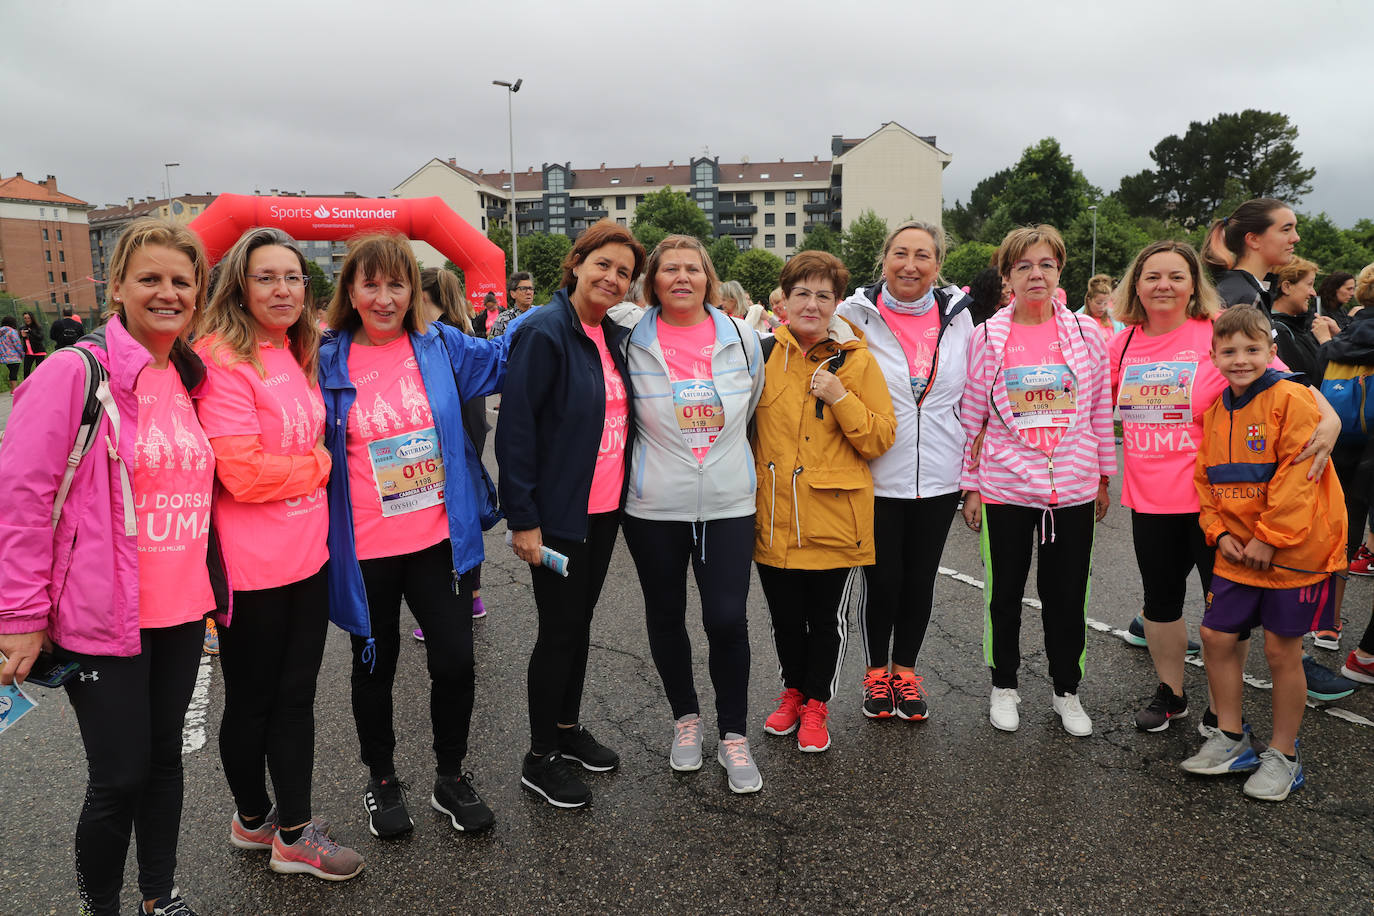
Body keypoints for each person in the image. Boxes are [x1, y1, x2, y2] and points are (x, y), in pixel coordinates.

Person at [0, 218, 218, 916]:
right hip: (103, 615)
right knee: (119, 777)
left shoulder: (185, 373)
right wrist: (20, 617)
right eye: (149, 278)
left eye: (181, 281)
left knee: (163, 765)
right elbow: (22, 501)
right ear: (117, 285)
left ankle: (160, 894)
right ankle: (104, 908)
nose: (166, 293)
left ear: (197, 294)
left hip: (182, 609)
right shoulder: (74, 372)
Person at [320, 233, 508, 838]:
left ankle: (450, 776)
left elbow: (506, 358)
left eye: (396, 284)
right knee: (375, 669)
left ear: (413, 291)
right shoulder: (323, 356)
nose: (383, 297)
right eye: (369, 283)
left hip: (438, 543)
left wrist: (573, 305)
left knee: (455, 662)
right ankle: (381, 779)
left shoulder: (441, 345)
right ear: (350, 288)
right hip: (366, 551)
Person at [195, 227, 362, 880]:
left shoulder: (295, 350)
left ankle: (260, 821)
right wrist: (318, 465)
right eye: (266, 277)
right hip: (252, 569)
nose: (283, 288)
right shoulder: (221, 359)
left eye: (292, 277)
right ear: (239, 285)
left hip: (307, 559)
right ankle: (285, 831)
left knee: (290, 697)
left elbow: (274, 460)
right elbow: (242, 474)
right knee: (258, 701)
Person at [496, 219, 645, 808]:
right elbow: (517, 431)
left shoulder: (607, 334)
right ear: (577, 263)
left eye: (624, 273)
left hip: (602, 513)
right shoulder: (546, 331)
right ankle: (539, 757)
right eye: (603, 264)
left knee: (578, 626)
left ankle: (565, 729)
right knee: (559, 632)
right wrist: (524, 519)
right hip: (557, 520)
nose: (612, 278)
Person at [1182, 305, 1346, 801]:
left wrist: (1268, 537)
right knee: (1215, 635)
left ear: (1271, 353)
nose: (1240, 359)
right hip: (1239, 549)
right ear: (1213, 356)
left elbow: (1299, 477)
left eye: (1252, 349)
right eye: (1228, 351)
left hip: (1294, 552)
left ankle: (1284, 755)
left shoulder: (1292, 398)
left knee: (1280, 651)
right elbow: (1205, 478)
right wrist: (1216, 531)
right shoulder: (1215, 411)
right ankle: (1231, 738)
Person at [621, 235, 765, 792]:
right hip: (656, 504)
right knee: (666, 615)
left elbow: (748, 408)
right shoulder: (631, 340)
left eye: (694, 269)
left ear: (709, 278)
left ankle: (734, 734)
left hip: (728, 501)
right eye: (670, 270)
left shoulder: (743, 337)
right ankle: (686, 719)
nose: (682, 278)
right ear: (652, 281)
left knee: (727, 618)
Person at [960, 225, 1116, 737]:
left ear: (1059, 272)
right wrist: (973, 486)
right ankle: (1004, 685)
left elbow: (1098, 409)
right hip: (1007, 486)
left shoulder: (1087, 334)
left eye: (1046, 264)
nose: (1036, 274)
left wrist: (1101, 478)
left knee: (1068, 596)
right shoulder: (988, 336)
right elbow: (973, 416)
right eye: (1024, 266)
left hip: (1070, 488)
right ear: (1007, 277)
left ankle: (1066, 690)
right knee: (1004, 593)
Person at [753, 250, 896, 753]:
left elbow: (880, 437)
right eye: (801, 294)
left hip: (835, 518)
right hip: (773, 517)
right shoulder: (763, 354)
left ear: (836, 303)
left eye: (823, 295)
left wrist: (840, 396)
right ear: (784, 300)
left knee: (827, 621)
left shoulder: (857, 361)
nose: (811, 304)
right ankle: (792, 690)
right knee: (785, 618)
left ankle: (817, 702)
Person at [837, 221, 973, 722]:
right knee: (882, 581)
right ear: (884, 259)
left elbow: (974, 397)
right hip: (875, 473)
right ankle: (876, 672)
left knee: (920, 581)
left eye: (922, 255)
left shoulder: (960, 317)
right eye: (900, 253)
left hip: (940, 475)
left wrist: (973, 477)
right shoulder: (853, 316)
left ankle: (906, 672)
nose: (910, 265)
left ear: (938, 265)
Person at [411, 267, 489, 635]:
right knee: (465, 519)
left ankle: (445, 610)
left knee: (447, 527)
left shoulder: (440, 339)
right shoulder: (462, 329)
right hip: (471, 440)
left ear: (422, 296)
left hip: (451, 448)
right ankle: (472, 594)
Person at [1203, 198, 1299, 311]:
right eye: (1286, 229)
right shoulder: (1245, 300)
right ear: (1253, 240)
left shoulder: (1241, 291)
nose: (1296, 238)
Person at [1271, 256, 1338, 383]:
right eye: (1309, 284)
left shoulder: (1296, 327)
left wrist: (1337, 336)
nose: (1313, 293)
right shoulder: (1279, 331)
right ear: (1286, 287)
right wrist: (1325, 342)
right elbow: (1308, 380)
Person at [488, 271, 535, 339]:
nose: (528, 292)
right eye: (523, 289)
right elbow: (494, 346)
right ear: (513, 294)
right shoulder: (503, 319)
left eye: (531, 288)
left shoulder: (540, 315)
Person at [1080, 273, 1124, 341]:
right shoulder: (1077, 321)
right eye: (1098, 303)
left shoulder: (1117, 320)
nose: (1102, 307)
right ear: (1089, 300)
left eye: (1106, 303)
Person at [19, 310, 47, 377]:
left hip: (39, 351)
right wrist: (23, 336)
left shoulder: (38, 327)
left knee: (39, 370)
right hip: (28, 352)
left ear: (32, 318)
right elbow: (20, 338)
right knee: (26, 370)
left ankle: (39, 384)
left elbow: (40, 338)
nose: (27, 320)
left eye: (28, 318)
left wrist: (31, 332)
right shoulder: (22, 328)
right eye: (25, 318)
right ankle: (26, 386)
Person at [0, 316, 22, 392]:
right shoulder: (12, 331)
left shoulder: (1, 332)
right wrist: (22, 354)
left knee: (11, 372)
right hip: (14, 357)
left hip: (4, 357)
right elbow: (17, 344)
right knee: (14, 373)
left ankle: (12, 389)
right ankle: (14, 390)